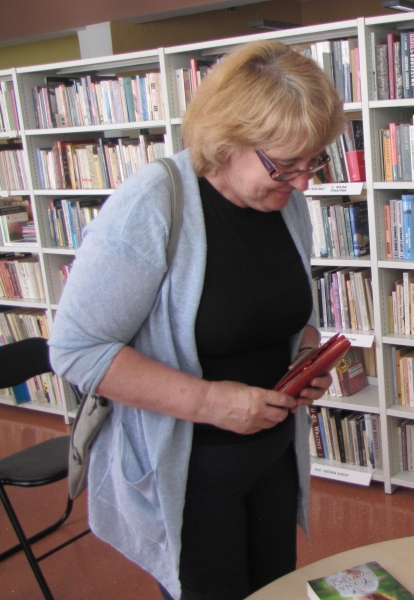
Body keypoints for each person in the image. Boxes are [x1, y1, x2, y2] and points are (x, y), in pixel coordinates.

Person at [49, 40, 346, 600]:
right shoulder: (153, 202)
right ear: (228, 141)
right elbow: (77, 349)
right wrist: (211, 402)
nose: (304, 183)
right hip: (189, 473)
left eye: (313, 162)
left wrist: (306, 355)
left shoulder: (286, 203)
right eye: (285, 166)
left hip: (273, 457)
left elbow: (288, 313)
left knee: (275, 592)